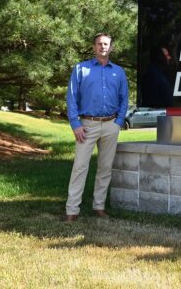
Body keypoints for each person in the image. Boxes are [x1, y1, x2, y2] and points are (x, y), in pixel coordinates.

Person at [65, 33, 129, 221]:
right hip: (86, 126)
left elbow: (124, 99)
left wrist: (118, 122)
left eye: (106, 44)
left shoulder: (119, 72)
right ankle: (72, 210)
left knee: (105, 168)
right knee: (80, 167)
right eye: (100, 44)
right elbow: (71, 99)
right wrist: (76, 124)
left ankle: (99, 206)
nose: (103, 47)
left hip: (110, 125)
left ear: (111, 47)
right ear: (94, 47)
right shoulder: (80, 69)